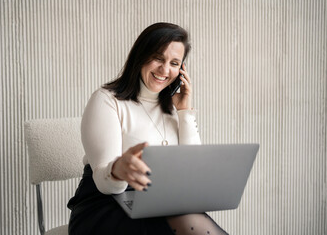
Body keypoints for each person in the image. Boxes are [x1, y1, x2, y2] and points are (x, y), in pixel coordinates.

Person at [67, 22, 228, 235]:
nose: (164, 70)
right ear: (140, 56)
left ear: (181, 69)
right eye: (158, 58)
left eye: (174, 63)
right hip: (105, 206)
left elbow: (192, 173)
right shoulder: (106, 100)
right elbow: (104, 184)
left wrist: (185, 111)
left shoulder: (174, 106)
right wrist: (118, 170)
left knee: (189, 218)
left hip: (161, 204)